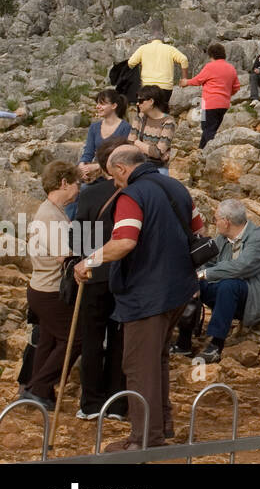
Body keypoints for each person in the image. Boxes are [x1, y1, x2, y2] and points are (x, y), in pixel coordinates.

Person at [73, 146, 202, 451]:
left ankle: (144, 440)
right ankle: (162, 426)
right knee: (156, 360)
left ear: (120, 169)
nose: (113, 181)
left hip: (147, 295)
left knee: (138, 367)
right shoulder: (176, 186)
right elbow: (198, 228)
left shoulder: (132, 195)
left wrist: (87, 261)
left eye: (111, 174)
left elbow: (125, 242)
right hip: (178, 289)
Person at [174, 199, 260, 363]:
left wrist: (204, 274)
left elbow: (239, 268)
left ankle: (216, 346)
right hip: (232, 296)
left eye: (216, 219)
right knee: (193, 283)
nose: (215, 222)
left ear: (226, 222)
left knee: (228, 285)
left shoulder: (259, 238)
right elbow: (206, 262)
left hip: (258, 299)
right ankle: (184, 343)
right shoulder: (223, 239)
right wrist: (194, 276)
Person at [16, 162, 82, 412]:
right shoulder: (50, 216)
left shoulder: (52, 210)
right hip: (49, 291)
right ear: (64, 183)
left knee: (48, 340)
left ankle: (38, 390)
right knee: (76, 338)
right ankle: (38, 388)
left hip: (42, 289)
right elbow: (64, 256)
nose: (78, 189)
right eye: (76, 184)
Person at [74, 142, 127, 421]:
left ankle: (91, 403)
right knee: (119, 339)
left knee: (92, 339)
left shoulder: (91, 194)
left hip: (94, 275)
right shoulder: (131, 192)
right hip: (124, 276)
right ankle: (117, 403)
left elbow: (80, 240)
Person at [185, 43, 241, 149]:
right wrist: (226, 94)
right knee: (212, 128)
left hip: (209, 104)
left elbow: (198, 80)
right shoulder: (231, 68)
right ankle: (201, 150)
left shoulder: (210, 67)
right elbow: (236, 87)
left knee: (207, 129)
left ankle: (211, 151)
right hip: (224, 105)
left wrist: (186, 82)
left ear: (211, 55)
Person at [126, 28, 189, 108]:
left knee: (145, 113)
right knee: (162, 111)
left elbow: (130, 63)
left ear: (150, 39)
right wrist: (184, 78)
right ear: (163, 40)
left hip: (147, 87)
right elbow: (184, 59)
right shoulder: (170, 49)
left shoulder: (143, 48)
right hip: (165, 88)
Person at [77, 90, 130, 182]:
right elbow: (88, 152)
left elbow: (124, 156)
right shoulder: (94, 127)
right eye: (97, 104)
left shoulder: (126, 127)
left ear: (114, 106)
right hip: (97, 174)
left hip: (116, 174)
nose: (98, 107)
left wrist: (97, 166)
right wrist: (82, 165)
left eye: (102, 104)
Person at [126, 86, 177, 167]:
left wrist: (137, 142)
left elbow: (157, 152)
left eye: (141, 101)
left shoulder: (168, 122)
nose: (137, 104)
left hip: (156, 167)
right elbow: (129, 143)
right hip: (137, 163)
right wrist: (152, 151)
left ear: (151, 101)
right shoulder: (139, 117)